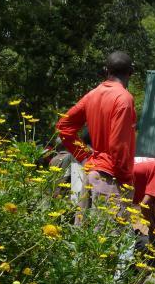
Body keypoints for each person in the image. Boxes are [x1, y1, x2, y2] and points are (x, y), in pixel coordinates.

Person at [56, 51, 136, 215]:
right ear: (131, 72)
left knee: (85, 234)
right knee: (109, 236)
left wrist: (85, 156)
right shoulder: (124, 99)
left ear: (106, 70)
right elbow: (118, 145)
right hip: (111, 179)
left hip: (91, 174)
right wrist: (126, 180)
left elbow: (64, 126)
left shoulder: (92, 94)